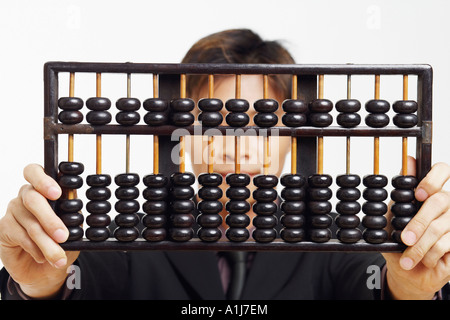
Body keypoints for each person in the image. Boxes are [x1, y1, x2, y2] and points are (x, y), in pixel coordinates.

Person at [1, 28, 450, 300]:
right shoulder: (120, 244)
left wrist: (409, 289)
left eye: (264, 122)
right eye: (211, 122)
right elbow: (68, 286)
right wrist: (41, 288)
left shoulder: (346, 244)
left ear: (295, 133)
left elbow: (378, 290)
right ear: (179, 132)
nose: (237, 145)